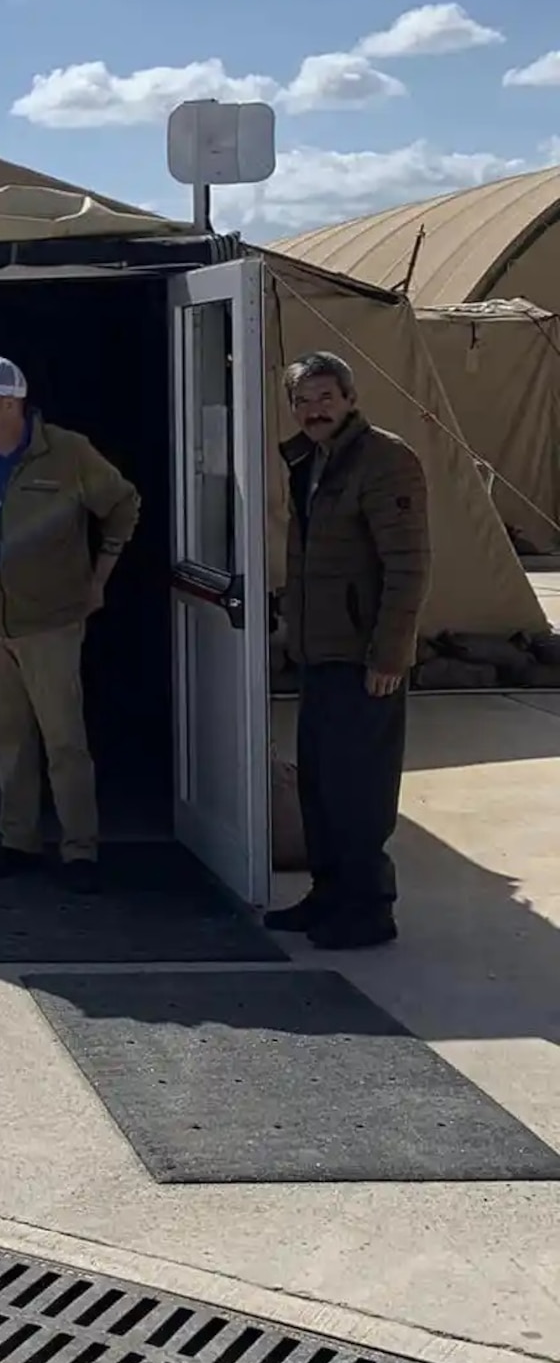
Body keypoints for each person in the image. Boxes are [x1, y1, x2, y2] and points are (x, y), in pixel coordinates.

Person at [0, 356, 139, 894]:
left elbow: (122, 505)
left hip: (50, 622)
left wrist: (100, 575)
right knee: (9, 735)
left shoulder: (69, 453)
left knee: (64, 740)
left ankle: (80, 849)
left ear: (10, 405)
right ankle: (17, 840)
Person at [267, 350, 429, 950]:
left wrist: (389, 654)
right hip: (320, 649)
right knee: (321, 783)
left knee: (360, 790)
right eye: (303, 401)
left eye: (325, 398)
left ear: (350, 399)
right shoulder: (311, 462)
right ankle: (328, 895)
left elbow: (408, 567)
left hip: (364, 658)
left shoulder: (386, 461)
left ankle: (368, 910)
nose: (314, 411)